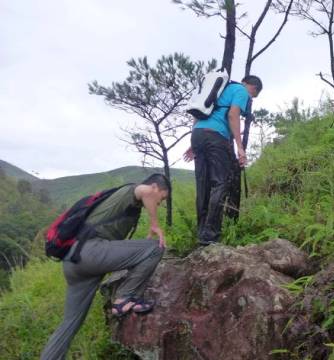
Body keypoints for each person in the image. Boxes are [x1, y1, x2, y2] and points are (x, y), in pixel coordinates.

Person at [40, 173, 170, 360]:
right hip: (89, 252)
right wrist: (155, 224)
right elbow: (145, 191)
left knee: (70, 323)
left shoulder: (123, 200)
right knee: (154, 248)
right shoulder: (132, 190)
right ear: (156, 187)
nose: (160, 203)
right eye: (162, 198)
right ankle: (124, 298)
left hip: (73, 262)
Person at [183, 75, 263, 245]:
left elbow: (199, 114)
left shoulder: (220, 89)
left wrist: (194, 141)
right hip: (216, 136)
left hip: (198, 134)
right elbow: (233, 115)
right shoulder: (241, 91)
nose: (250, 99)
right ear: (252, 88)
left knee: (203, 185)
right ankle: (210, 235)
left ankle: (201, 232)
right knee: (221, 183)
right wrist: (240, 147)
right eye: (253, 96)